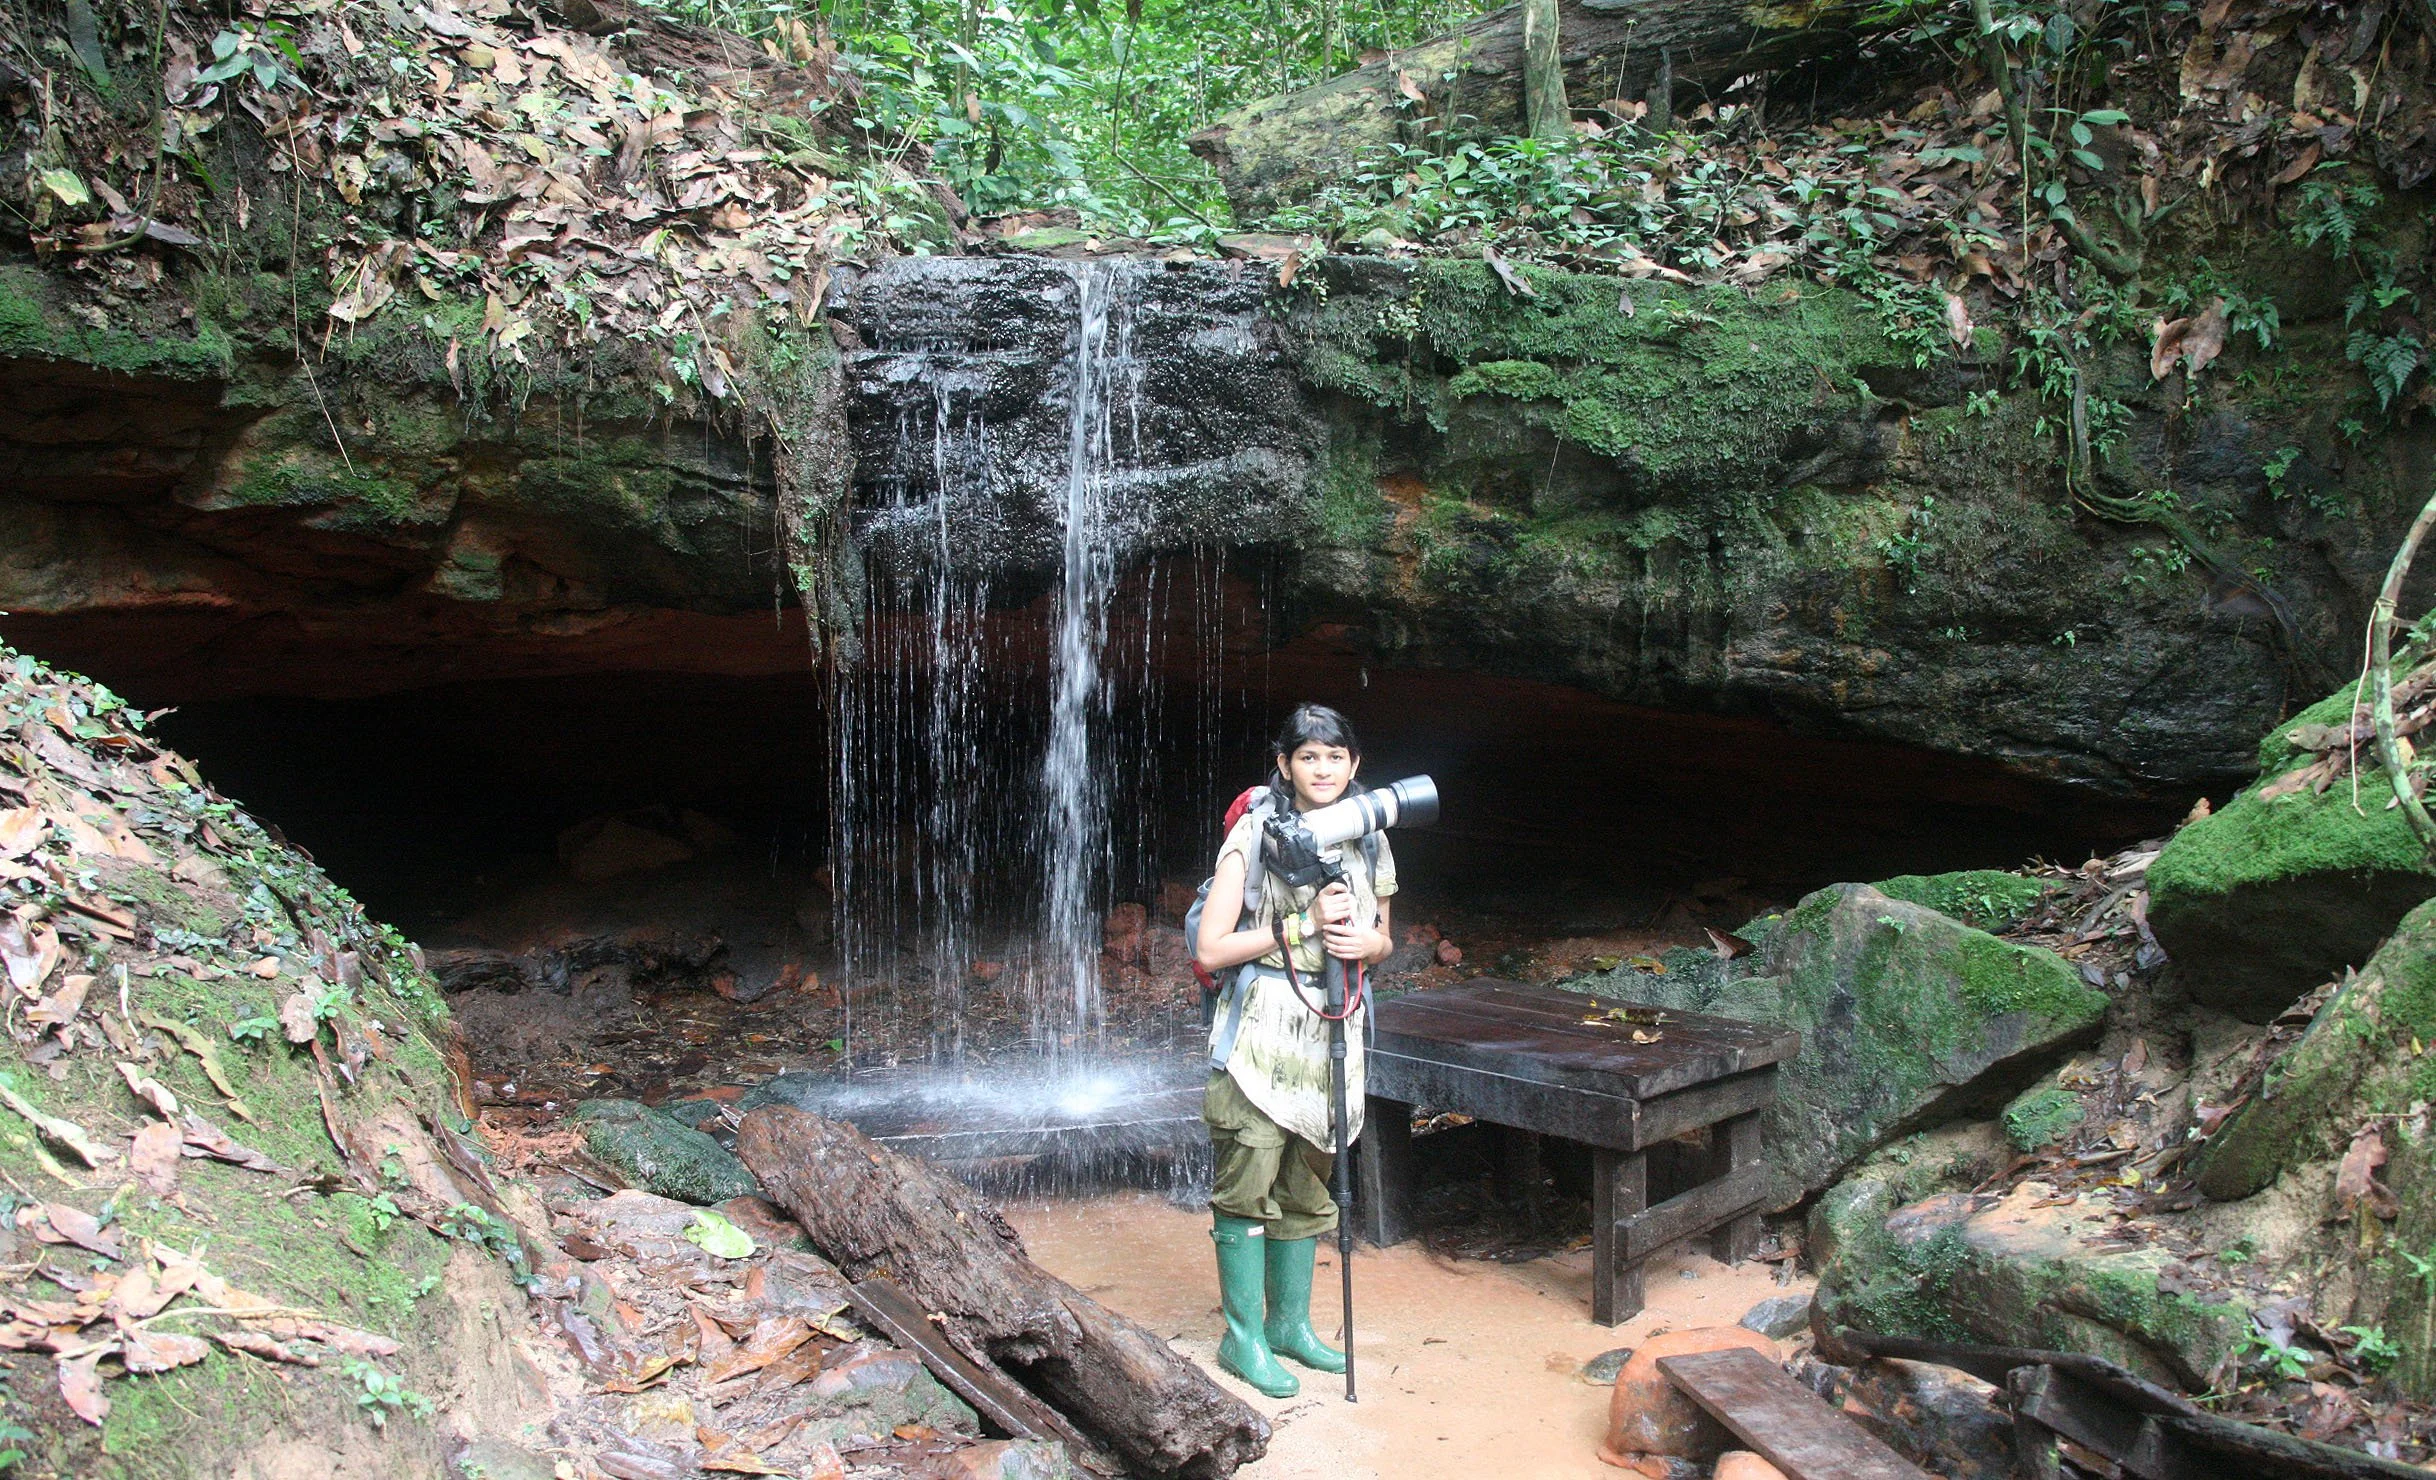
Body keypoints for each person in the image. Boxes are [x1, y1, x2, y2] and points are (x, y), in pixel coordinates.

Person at [1192, 703, 1396, 1398]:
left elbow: (1384, 936)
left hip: (1332, 1032)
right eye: (1308, 757)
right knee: (1247, 1183)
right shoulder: (1255, 833)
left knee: (1310, 1186)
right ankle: (1242, 1336)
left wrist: (1370, 944)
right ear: (1284, 765)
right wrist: (1300, 924)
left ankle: (1291, 1327)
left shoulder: (1368, 833)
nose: (1323, 769)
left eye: (1335, 757)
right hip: (1260, 1033)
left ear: (1354, 765)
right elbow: (1212, 947)